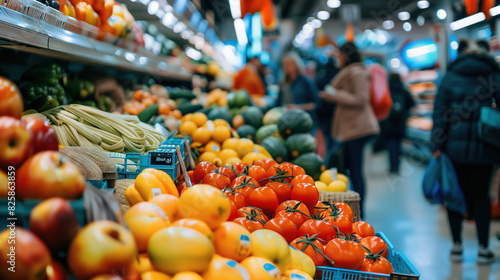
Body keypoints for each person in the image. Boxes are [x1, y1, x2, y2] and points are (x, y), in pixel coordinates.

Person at [431, 40, 500, 264]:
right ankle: (482, 249)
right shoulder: (493, 76)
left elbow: (440, 115)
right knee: (481, 197)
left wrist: (437, 146)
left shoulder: (450, 76)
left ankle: (457, 247)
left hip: (454, 149)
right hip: (486, 149)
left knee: (454, 195)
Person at [320, 42, 380, 217]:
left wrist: (334, 95)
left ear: (346, 55)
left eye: (339, 54)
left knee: (355, 170)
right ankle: (352, 208)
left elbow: (361, 99)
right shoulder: (350, 72)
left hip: (358, 129)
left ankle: (359, 211)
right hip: (350, 129)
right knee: (350, 169)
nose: (337, 58)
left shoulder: (358, 72)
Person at [379, 73, 415, 173]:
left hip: (388, 123)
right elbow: (411, 103)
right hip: (400, 123)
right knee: (398, 144)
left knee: (391, 144)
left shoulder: (386, 91)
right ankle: (398, 165)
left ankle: (393, 166)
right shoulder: (403, 90)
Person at [278, 52, 318, 128]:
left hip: (305, 122)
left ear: (296, 64)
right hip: (287, 122)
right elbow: (277, 104)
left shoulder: (306, 81)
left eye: (289, 63)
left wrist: (298, 107)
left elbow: (316, 104)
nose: (286, 66)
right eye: (284, 64)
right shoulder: (282, 83)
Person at [316, 57, 340, 161]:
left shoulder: (320, 76)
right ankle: (332, 158)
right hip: (334, 111)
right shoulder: (338, 75)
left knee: (325, 138)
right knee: (333, 137)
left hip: (322, 112)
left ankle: (328, 159)